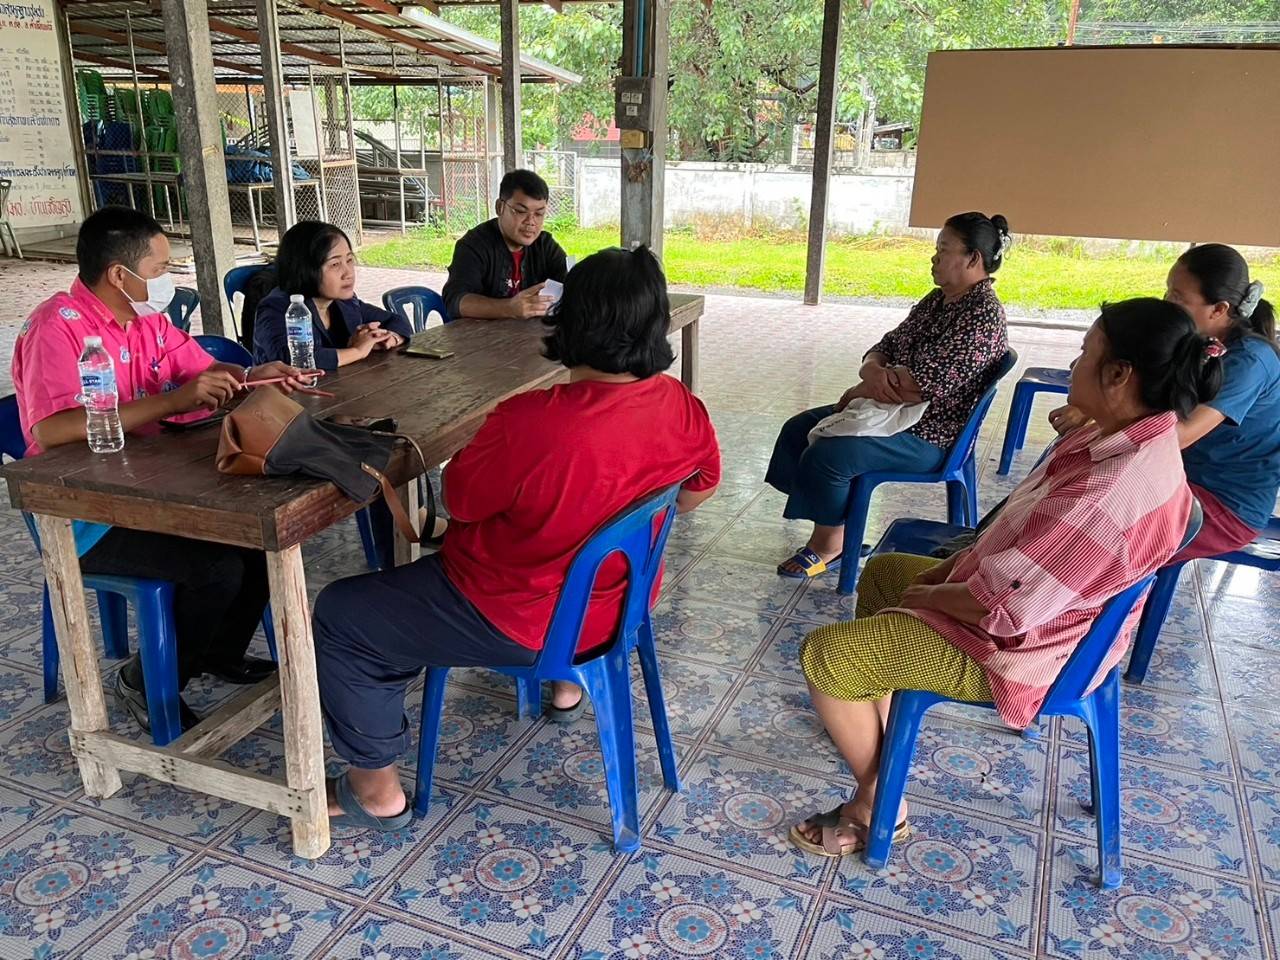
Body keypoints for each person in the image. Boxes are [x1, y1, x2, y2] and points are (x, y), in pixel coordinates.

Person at [789, 298, 1216, 858]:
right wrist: (941, 578)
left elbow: (1007, 610)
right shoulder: (1133, 435)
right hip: (1050, 615)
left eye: (1085, 352)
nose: (1074, 362)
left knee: (828, 654)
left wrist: (935, 592)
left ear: (1119, 375)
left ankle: (880, 802)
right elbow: (1021, 551)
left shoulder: (1110, 489)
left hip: (1025, 650)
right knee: (887, 573)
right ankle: (881, 740)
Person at [311, 247, 720, 829]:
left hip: (518, 618)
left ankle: (374, 790)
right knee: (548, 542)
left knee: (343, 613)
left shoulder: (530, 419)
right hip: (619, 608)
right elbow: (695, 492)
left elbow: (461, 501)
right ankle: (565, 689)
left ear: (569, 320)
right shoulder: (682, 405)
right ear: (655, 325)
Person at [11, 206, 311, 732]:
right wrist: (171, 403)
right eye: (159, 268)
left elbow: (199, 371)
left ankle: (212, 653)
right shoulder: (56, 328)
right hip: (84, 512)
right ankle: (145, 680)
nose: (167, 280)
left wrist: (250, 374)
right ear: (118, 275)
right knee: (214, 570)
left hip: (150, 487)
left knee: (259, 545)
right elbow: (49, 431)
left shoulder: (148, 320)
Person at [766, 212, 1011, 578]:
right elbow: (886, 344)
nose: (934, 258)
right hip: (889, 411)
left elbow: (919, 387)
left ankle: (829, 543)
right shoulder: (938, 300)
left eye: (943, 250)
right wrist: (872, 370)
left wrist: (863, 386)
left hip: (930, 434)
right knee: (798, 428)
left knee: (829, 453)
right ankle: (841, 524)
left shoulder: (982, 317)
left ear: (973, 259)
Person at [1049, 244, 1279, 563]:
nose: (1167, 304)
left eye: (1177, 298)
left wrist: (1097, 412)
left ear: (1219, 309)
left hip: (1221, 504)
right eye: (1168, 292)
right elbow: (1137, 387)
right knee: (1064, 490)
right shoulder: (1197, 342)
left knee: (1089, 544)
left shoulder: (1250, 362)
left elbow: (1178, 435)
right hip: (1176, 476)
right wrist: (1090, 404)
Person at [253, 220, 412, 370]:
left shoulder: (345, 302)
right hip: (284, 396)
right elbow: (294, 360)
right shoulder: (277, 308)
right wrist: (357, 351)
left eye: (349, 260)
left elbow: (396, 320)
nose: (348, 273)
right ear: (306, 269)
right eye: (335, 264)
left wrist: (387, 338)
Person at [441, 168, 569, 321]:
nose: (531, 222)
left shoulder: (545, 245)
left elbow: (571, 283)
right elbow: (456, 301)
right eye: (521, 211)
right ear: (500, 207)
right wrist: (508, 308)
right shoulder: (473, 245)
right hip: (481, 339)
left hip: (530, 337)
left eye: (539, 214)